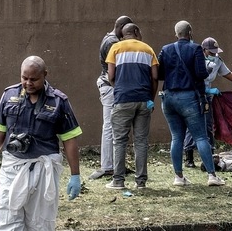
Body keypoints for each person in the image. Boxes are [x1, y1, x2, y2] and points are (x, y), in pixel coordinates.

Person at [0, 55, 83, 231]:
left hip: (43, 170)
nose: (28, 83)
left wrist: (75, 175)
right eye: (24, 78)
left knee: (39, 224)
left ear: (45, 75)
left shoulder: (59, 101)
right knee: (7, 219)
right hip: (12, 167)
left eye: (34, 79)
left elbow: (69, 140)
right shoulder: (9, 95)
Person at [157, 20, 225, 186]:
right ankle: (211, 176)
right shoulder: (195, 49)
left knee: (176, 137)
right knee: (201, 136)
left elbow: (159, 74)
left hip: (169, 98)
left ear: (176, 33)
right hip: (189, 97)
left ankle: (179, 177)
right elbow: (201, 73)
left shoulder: (165, 49)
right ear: (190, 33)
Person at [183, 37, 232, 168]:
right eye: (211, 53)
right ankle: (189, 158)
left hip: (207, 97)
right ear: (203, 50)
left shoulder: (217, 61)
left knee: (208, 126)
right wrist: (206, 90)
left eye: (215, 52)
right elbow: (190, 80)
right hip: (194, 96)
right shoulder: (195, 59)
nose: (214, 55)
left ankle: (210, 156)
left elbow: (227, 73)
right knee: (192, 126)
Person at [105, 23, 159, 190]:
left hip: (123, 99)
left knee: (119, 141)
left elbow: (111, 76)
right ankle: (141, 182)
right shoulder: (148, 49)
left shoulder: (115, 48)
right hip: (144, 100)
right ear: (136, 32)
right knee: (141, 141)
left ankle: (118, 181)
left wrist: (120, 89)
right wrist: (151, 98)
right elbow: (155, 78)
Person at [90, 15, 133, 180]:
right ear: (121, 26)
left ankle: (114, 164)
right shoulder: (112, 43)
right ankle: (107, 166)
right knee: (109, 126)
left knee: (114, 127)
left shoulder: (110, 39)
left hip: (109, 85)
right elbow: (115, 69)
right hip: (110, 87)